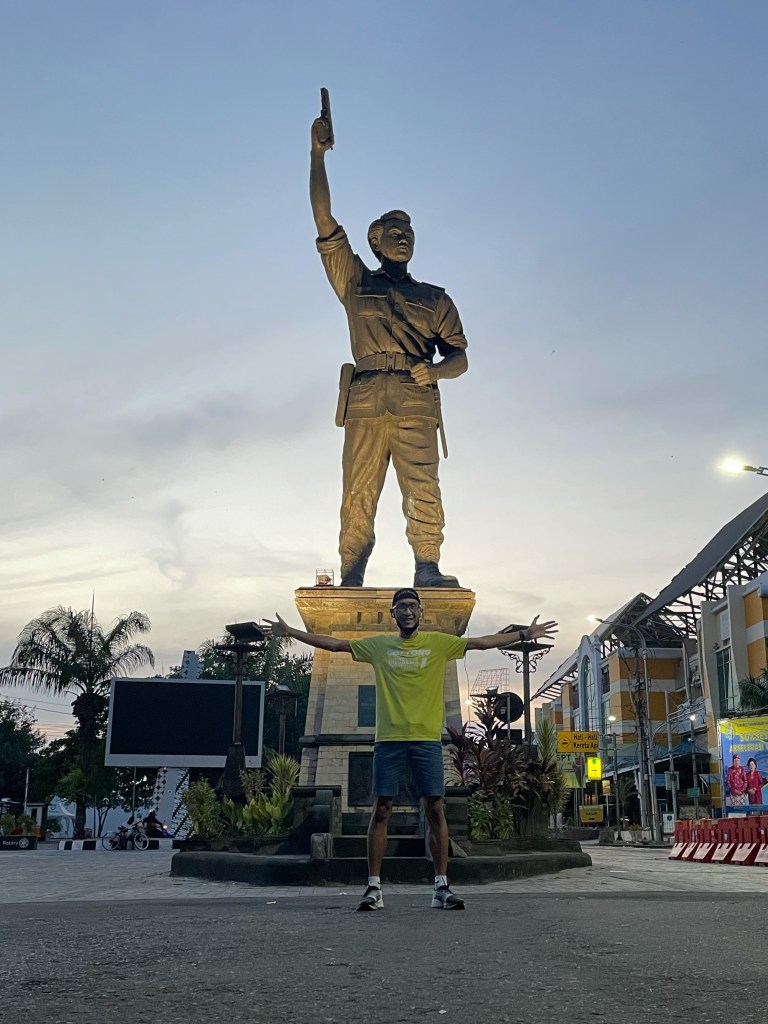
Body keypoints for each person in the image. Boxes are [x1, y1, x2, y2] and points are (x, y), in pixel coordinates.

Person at [263, 588, 558, 911]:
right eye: (401, 606)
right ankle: (374, 888)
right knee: (382, 810)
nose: (407, 611)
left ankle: (441, 887)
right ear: (393, 614)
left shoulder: (439, 643)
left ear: (421, 612)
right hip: (389, 740)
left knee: (435, 809)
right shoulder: (378, 646)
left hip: (426, 740)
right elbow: (334, 644)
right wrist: (290, 632)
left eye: (412, 606)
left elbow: (482, 643)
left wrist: (524, 635)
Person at [310, 103, 469, 588]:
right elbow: (323, 219)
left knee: (423, 486)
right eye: (394, 234)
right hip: (365, 395)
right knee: (358, 489)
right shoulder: (355, 281)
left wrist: (436, 371)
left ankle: (428, 567)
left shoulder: (435, 298)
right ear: (375, 243)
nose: (403, 239)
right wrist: (316, 155)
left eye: (409, 234)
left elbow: (460, 356)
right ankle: (352, 572)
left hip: (416, 397)